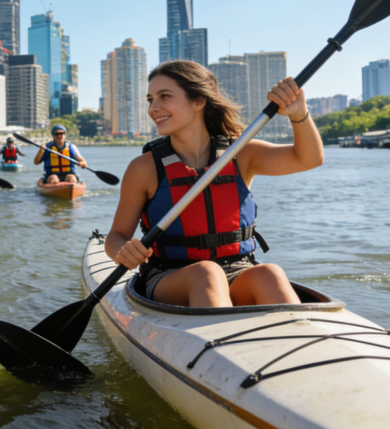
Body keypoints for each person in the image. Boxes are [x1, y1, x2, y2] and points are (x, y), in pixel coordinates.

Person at [105, 60, 323, 308]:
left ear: (198, 101)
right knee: (206, 273)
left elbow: (309, 159)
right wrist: (122, 250)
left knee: (269, 273)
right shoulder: (143, 168)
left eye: (164, 96)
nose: (153, 108)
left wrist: (298, 114)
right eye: (150, 99)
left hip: (238, 267)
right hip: (169, 277)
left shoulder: (241, 153)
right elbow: (116, 236)